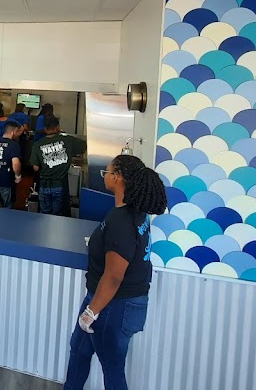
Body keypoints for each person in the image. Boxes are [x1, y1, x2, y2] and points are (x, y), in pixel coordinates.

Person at [63, 155, 167, 390]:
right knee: (79, 349)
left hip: (113, 304)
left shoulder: (122, 221)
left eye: (107, 172)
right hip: (109, 300)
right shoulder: (135, 212)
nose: (105, 176)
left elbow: (114, 276)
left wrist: (91, 312)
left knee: (112, 368)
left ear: (118, 177)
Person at [32, 116, 74, 216]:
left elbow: (35, 167)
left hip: (44, 186)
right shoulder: (67, 140)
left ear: (45, 129)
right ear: (58, 127)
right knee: (57, 216)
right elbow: (84, 146)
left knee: (44, 215)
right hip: (60, 185)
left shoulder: (37, 144)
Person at [0, 121, 23, 209]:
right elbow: (15, 163)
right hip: (6, 180)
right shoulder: (14, 145)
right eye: (17, 132)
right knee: (7, 206)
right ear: (12, 132)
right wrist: (18, 176)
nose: (18, 134)